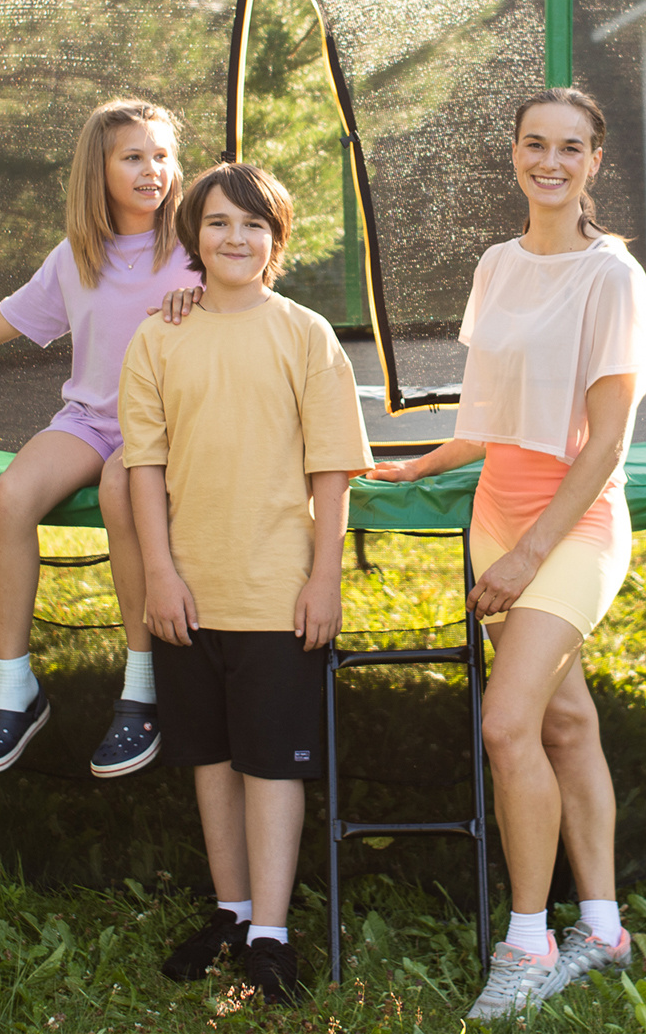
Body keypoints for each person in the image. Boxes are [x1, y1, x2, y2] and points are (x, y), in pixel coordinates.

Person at [370, 86, 646, 1021]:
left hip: (570, 530)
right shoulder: (497, 264)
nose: (551, 161)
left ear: (594, 161)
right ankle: (605, 930)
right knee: (563, 722)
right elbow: (490, 410)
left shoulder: (613, 277)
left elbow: (606, 445)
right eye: (535, 144)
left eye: (570, 147)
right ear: (513, 154)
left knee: (507, 724)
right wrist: (422, 462)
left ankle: (528, 942)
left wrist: (526, 558)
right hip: (496, 516)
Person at [119, 162, 371, 1006]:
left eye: (254, 224)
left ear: (277, 238)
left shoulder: (305, 334)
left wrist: (324, 578)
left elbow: (332, 468)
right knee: (211, 758)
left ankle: (271, 933)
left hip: (276, 590)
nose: (236, 237)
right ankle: (229, 913)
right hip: (188, 590)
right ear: (193, 236)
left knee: (270, 765)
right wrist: (160, 574)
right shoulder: (158, 338)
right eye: (219, 222)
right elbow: (144, 468)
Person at [0, 97, 196, 778]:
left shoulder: (193, 244)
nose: (152, 170)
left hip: (165, 426)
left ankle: (142, 685)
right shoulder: (75, 258)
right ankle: (16, 688)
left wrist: (202, 301)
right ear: (99, 171)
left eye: (162, 155)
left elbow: (249, 295)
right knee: (9, 497)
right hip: (90, 420)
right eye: (133, 157)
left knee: (121, 492)